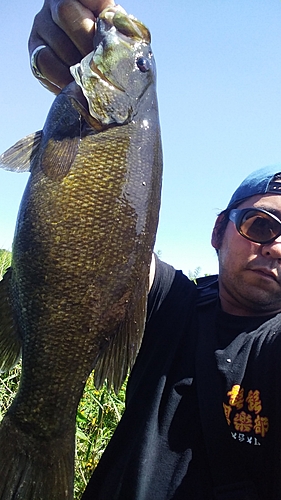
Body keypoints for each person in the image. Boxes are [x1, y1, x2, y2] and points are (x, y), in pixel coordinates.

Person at [28, 2, 281, 499]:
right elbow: (103, 249)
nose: (277, 248)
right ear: (218, 232)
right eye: (260, 224)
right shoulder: (173, 305)